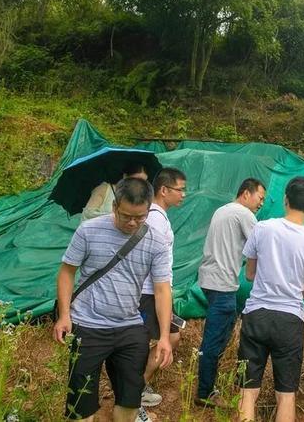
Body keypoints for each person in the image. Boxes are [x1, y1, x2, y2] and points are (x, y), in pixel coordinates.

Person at [53, 178, 173, 422]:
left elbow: (162, 289)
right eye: (126, 216)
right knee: (80, 407)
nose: (132, 223)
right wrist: (64, 315)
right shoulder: (89, 230)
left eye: (140, 217)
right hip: (88, 326)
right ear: (114, 206)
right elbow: (67, 272)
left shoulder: (156, 241)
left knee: (129, 402)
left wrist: (163, 336)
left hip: (129, 326)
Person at [236, 176, 304, 422]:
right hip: (290, 321)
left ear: (285, 199)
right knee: (286, 395)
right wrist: (297, 284)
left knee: (247, 392)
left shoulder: (263, 228)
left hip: (257, 315)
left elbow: (250, 274)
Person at [195, 178, 266, 407]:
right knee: (214, 340)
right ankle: (205, 392)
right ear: (246, 194)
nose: (261, 203)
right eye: (260, 198)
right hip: (222, 284)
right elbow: (263, 245)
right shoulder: (243, 214)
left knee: (221, 333)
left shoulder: (222, 210)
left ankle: (211, 383)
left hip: (210, 280)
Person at [136, 168, 186, 421]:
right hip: (150, 291)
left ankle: (139, 385)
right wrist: (160, 290)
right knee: (148, 342)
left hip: (158, 290)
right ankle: (134, 393)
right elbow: (149, 259)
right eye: (180, 189)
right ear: (164, 190)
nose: (183, 194)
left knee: (172, 336)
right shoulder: (155, 219)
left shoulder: (159, 216)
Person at [81, 163, 148, 222]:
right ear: (125, 176)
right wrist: (116, 215)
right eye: (135, 180)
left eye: (143, 181)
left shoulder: (144, 198)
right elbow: (87, 214)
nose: (139, 184)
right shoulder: (105, 189)